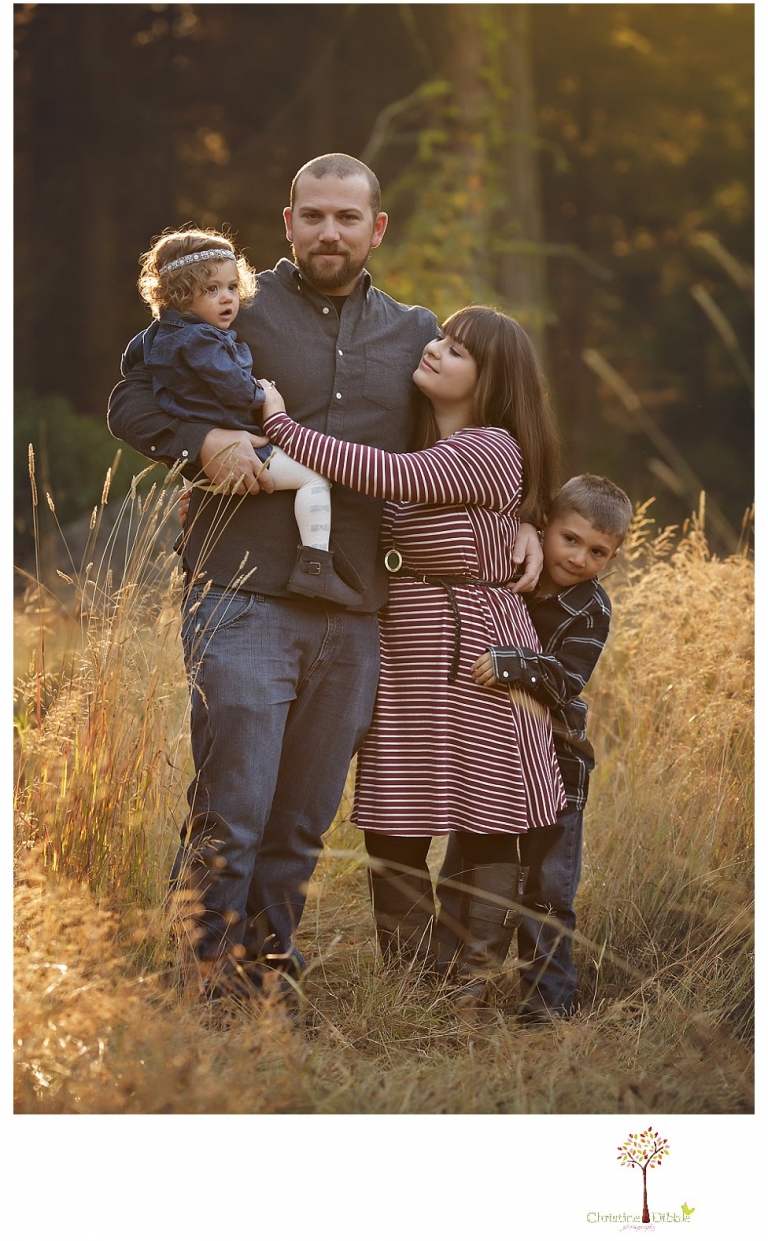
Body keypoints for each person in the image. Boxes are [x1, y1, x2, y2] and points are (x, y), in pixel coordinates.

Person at [107, 153, 544, 1005]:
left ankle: (270, 972)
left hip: (357, 611)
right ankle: (205, 981)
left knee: (303, 816)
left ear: (376, 228)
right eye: (314, 215)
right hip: (241, 592)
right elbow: (131, 401)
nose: (329, 231)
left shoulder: (412, 330)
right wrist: (199, 443)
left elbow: (471, 433)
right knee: (233, 801)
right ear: (288, 223)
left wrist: (518, 516)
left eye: (348, 217)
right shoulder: (232, 307)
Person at [260, 304, 567, 1007]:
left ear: (492, 379)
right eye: (439, 338)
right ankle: (413, 982)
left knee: (487, 815)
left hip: (477, 652)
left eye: (457, 350)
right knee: (397, 816)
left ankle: (473, 981)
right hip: (405, 654)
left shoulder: (491, 446)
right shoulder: (425, 437)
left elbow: (379, 474)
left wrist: (279, 426)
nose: (435, 348)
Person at [439, 473, 633, 1021]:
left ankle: (547, 1002)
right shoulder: (506, 571)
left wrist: (513, 662)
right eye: (570, 539)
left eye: (598, 551)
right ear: (544, 526)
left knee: (548, 890)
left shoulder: (589, 607)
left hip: (557, 765)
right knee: (466, 870)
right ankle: (454, 981)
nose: (578, 557)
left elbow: (567, 679)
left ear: (611, 558)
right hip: (491, 757)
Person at [122, 226, 361, 607]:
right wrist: (262, 394)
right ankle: (316, 565)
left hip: (202, 474)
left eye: (232, 287)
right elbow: (231, 385)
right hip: (240, 453)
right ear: (181, 296)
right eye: (211, 290)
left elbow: (129, 360)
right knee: (315, 477)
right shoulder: (204, 340)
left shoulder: (157, 335)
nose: (227, 299)